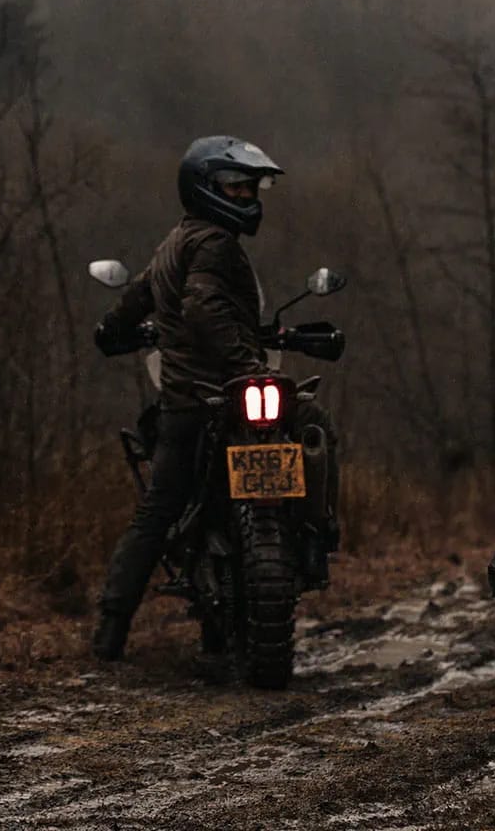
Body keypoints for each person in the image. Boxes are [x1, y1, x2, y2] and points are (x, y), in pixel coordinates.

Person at [90, 135, 338, 662]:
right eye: (236, 189)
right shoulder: (215, 245)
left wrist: (111, 330)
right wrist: (245, 367)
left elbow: (138, 297)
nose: (248, 199)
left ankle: (111, 630)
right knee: (315, 423)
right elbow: (205, 307)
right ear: (204, 190)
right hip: (217, 392)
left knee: (157, 511)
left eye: (251, 190)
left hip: (185, 400)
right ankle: (317, 538)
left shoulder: (174, 244)